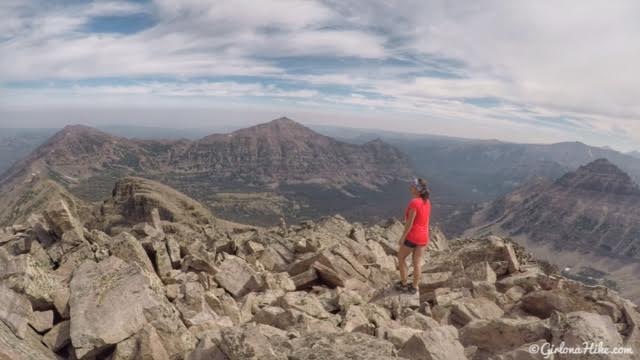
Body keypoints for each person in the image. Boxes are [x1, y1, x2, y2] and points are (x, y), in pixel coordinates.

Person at [395, 178, 431, 294]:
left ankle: (404, 283)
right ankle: (415, 287)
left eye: (413, 186)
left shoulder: (414, 202)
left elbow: (409, 223)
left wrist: (403, 237)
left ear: (417, 189)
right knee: (417, 262)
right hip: (423, 237)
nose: (410, 187)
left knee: (401, 257)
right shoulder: (427, 202)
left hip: (413, 236)